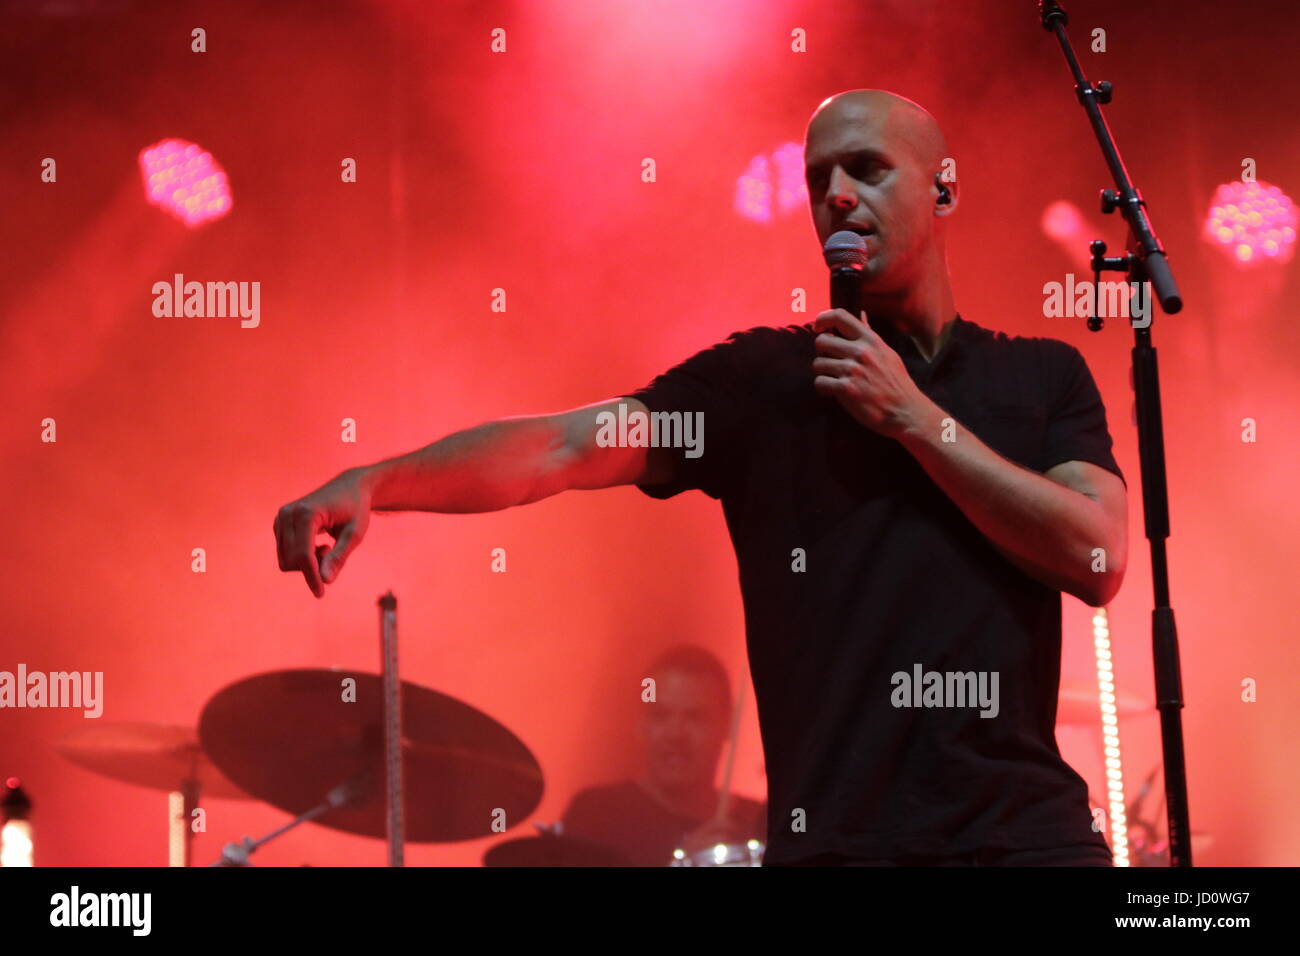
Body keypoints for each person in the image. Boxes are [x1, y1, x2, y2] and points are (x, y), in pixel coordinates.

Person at [273, 90, 1127, 866]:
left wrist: (914, 420)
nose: (835, 195)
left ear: (942, 190)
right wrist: (376, 481)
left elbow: (1098, 558)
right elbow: (563, 448)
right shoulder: (763, 385)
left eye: (866, 169)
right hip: (838, 847)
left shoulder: (1042, 378)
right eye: (818, 176)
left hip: (1032, 843)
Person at [559, 645, 766, 867]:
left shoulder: (761, 823)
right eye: (661, 715)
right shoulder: (596, 815)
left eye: (695, 718)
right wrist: (684, 862)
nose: (675, 734)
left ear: (728, 725)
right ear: (641, 723)